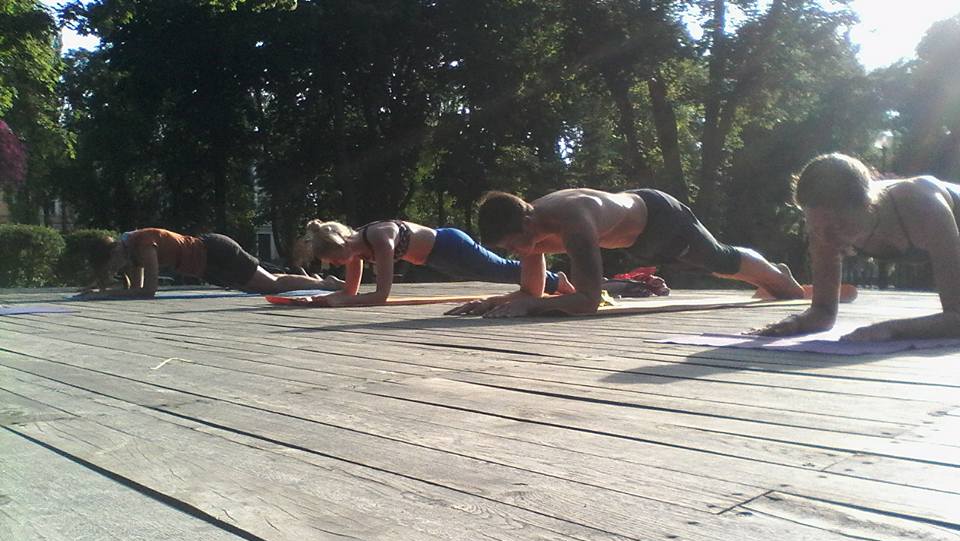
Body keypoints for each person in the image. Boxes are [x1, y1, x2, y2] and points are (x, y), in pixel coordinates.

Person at [446, 188, 804, 317]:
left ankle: (778, 276)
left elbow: (589, 299)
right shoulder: (531, 229)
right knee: (718, 267)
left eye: (511, 246)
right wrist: (495, 300)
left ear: (525, 224)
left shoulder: (574, 222)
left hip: (662, 218)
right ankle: (770, 275)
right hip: (636, 239)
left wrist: (529, 305)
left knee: (721, 262)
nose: (513, 253)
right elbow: (530, 292)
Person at [754, 153, 960, 342]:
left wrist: (890, 329)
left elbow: (957, 318)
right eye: (815, 226)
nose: (827, 239)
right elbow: (823, 312)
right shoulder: (824, 227)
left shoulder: (924, 207)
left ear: (868, 206)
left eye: (840, 225)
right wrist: (796, 322)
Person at [301, 219, 574, 306]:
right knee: (496, 274)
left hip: (450, 245)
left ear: (342, 243)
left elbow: (381, 295)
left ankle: (555, 279)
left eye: (335, 258)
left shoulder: (380, 238)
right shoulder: (356, 250)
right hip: (436, 259)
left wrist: (341, 301)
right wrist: (322, 298)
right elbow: (350, 291)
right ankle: (552, 279)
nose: (337, 264)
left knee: (498, 269)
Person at [77, 228, 343, 299]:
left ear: (116, 251)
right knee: (263, 286)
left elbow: (147, 291)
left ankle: (325, 283)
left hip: (215, 251)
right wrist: (100, 291)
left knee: (270, 285)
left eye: (115, 262)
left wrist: (105, 293)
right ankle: (320, 282)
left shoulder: (145, 243)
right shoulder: (131, 251)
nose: (117, 268)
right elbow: (133, 289)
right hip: (208, 265)